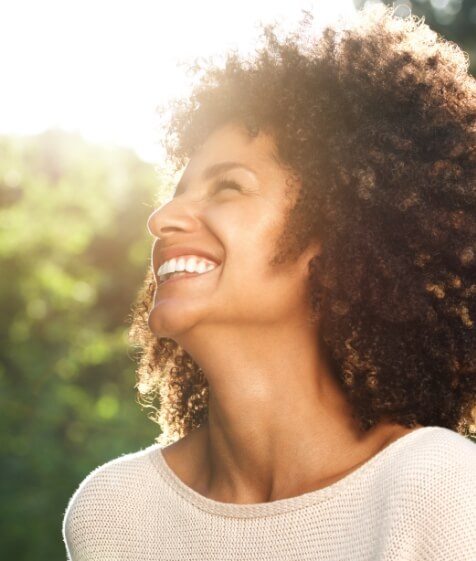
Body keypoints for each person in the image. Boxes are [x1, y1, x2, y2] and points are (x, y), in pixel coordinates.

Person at [63, 4, 476, 560]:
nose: (161, 219)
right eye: (177, 191)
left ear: (338, 232)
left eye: (228, 187)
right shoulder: (116, 512)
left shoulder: (437, 490)